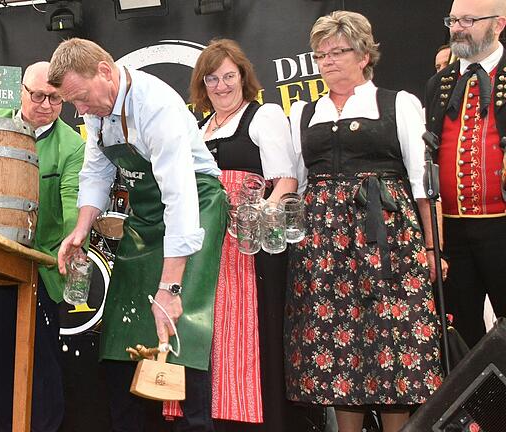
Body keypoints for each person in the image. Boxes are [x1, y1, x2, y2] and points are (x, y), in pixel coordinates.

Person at [49, 38, 226, 431]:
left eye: (80, 99)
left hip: (195, 210)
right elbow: (95, 172)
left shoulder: (156, 106)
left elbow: (180, 197)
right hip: (146, 218)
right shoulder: (96, 110)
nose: (80, 111)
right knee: (118, 336)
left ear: (105, 72)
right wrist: (81, 229)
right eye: (73, 103)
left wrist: (172, 288)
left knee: (184, 334)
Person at [286, 11, 444, 432]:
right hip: (323, 247)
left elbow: (423, 187)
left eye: (338, 52)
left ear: (364, 55)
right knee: (338, 352)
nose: (328, 61)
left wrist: (433, 249)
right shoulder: (303, 114)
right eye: (321, 55)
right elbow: (294, 187)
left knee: (392, 345)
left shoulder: (398, 103)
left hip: (387, 241)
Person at [163, 39, 299, 431]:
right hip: (201, 248)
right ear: (202, 86)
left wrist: (253, 218)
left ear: (243, 77)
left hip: (246, 247)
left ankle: (242, 416)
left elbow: (285, 181)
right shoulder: (199, 128)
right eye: (212, 79)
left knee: (240, 338)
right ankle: (203, 416)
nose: (221, 86)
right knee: (202, 333)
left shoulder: (264, 116)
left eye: (228, 76)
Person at [0, 61, 84, 431]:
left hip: (40, 268)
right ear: (21, 90)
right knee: (0, 360)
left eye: (55, 98)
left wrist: (73, 242)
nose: (45, 104)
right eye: (37, 95)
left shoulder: (72, 144)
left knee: (41, 362)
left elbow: (73, 202)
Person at [424, 0, 506, 349]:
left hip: (502, 227)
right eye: (453, 19)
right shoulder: (439, 84)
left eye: (468, 20)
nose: (457, 27)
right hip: (453, 232)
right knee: (464, 335)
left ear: (499, 24)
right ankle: (476, 406)